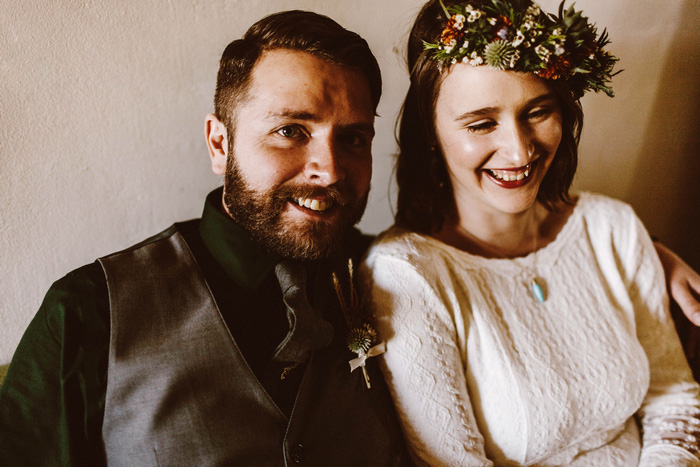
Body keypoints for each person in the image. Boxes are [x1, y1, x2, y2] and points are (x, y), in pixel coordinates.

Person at [0, 10, 409, 466]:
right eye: (290, 131)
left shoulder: (394, 275)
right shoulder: (86, 312)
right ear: (220, 143)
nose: (329, 169)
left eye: (353, 139)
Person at [360, 0, 700, 465]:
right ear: (431, 133)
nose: (518, 150)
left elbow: (673, 395)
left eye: (538, 111)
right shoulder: (407, 275)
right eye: (481, 124)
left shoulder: (612, 228)